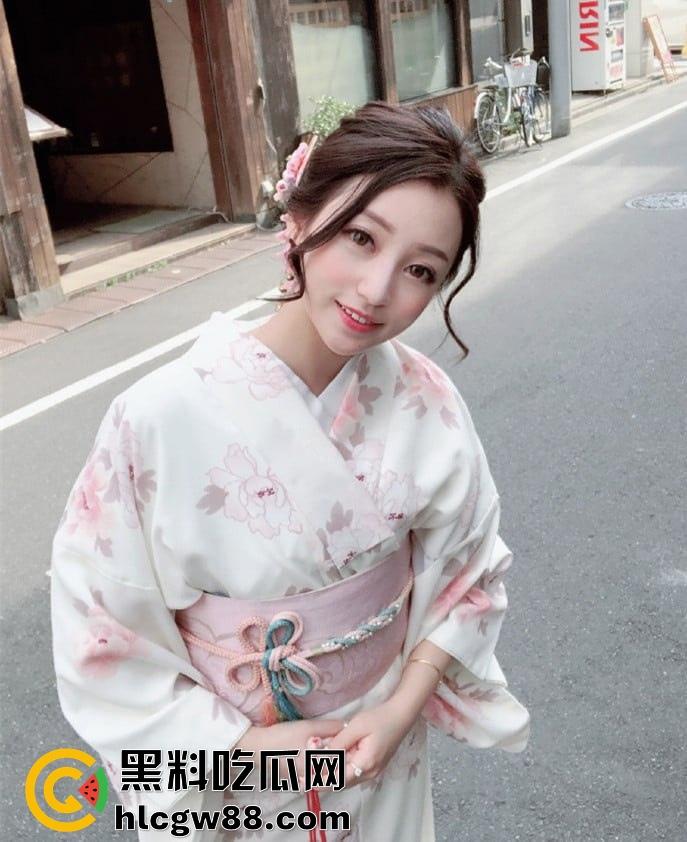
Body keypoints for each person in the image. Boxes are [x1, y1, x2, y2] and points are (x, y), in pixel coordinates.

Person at [50, 101, 530, 841]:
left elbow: (469, 573)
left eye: (420, 270)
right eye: (360, 237)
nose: (376, 289)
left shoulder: (427, 401)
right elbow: (100, 625)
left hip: (377, 743)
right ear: (300, 218)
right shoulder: (158, 416)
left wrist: (400, 710)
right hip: (228, 763)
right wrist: (247, 750)